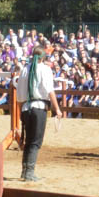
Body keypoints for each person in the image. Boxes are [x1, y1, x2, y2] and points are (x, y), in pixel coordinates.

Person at [16, 42, 63, 182]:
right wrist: (57, 109)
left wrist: (20, 112)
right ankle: (29, 172)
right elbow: (50, 91)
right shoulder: (45, 69)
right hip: (39, 108)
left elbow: (19, 95)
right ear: (43, 57)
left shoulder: (25, 69)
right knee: (35, 142)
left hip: (26, 108)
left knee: (28, 140)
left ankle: (25, 171)